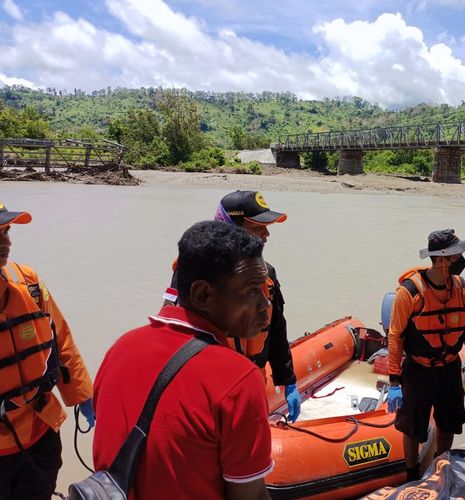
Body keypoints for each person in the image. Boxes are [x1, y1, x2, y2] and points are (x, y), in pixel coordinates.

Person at [94, 221, 273, 499]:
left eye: (264, 290)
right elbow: (250, 496)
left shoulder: (121, 347)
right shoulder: (238, 380)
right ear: (202, 294)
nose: (265, 304)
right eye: (251, 291)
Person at [164, 190, 300, 422]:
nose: (266, 234)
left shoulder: (267, 275)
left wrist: (287, 379)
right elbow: (171, 333)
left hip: (252, 382)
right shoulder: (195, 274)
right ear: (231, 229)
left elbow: (276, 328)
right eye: (258, 228)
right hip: (210, 387)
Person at [0, 202, 95, 500]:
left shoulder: (28, 281)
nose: (7, 242)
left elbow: (61, 336)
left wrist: (82, 394)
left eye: (7, 231)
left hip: (40, 429)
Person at [386, 229, 465, 482]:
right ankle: (411, 474)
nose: (461, 259)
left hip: (450, 367)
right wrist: (394, 380)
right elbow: (395, 336)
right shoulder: (408, 292)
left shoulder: (461, 286)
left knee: (449, 422)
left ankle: (442, 470)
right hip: (419, 370)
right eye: (457, 255)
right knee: (412, 426)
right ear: (443, 259)